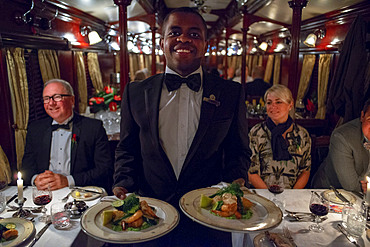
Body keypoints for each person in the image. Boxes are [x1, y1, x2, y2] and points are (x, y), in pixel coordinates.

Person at [112, 7, 251, 246]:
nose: (184, 39)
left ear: (205, 44)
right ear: (162, 42)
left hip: (209, 217)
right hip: (151, 215)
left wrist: (233, 182)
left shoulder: (230, 93)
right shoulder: (135, 92)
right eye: (175, 32)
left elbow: (238, 150)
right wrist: (123, 181)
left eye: (194, 34)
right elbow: (127, 148)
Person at [22, 79, 113, 192]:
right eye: (46, 98)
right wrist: (36, 180)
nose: (51, 103)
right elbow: (26, 168)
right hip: (44, 193)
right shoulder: (35, 129)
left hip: (81, 193)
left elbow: (104, 169)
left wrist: (68, 181)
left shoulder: (93, 128)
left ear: (72, 100)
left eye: (57, 97)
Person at [248, 85, 311, 189]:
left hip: (292, 195)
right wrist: (269, 200)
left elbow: (305, 170)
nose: (273, 106)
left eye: (278, 102)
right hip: (263, 195)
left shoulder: (302, 134)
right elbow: (251, 172)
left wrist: (292, 195)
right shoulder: (256, 132)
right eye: (269, 102)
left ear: (290, 105)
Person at [312, 99, 370, 193]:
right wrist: (367, 186)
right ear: (362, 116)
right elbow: (351, 186)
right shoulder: (342, 137)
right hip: (329, 192)